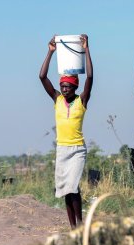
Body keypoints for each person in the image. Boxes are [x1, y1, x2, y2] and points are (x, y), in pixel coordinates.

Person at [39, 34, 93, 229]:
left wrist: (87, 49)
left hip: (77, 150)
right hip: (62, 149)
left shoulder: (82, 101)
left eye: (67, 86)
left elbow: (90, 77)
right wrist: (50, 51)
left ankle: (80, 224)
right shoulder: (57, 100)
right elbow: (42, 77)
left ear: (74, 87)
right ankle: (73, 228)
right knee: (65, 191)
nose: (63, 89)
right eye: (62, 86)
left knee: (73, 187)